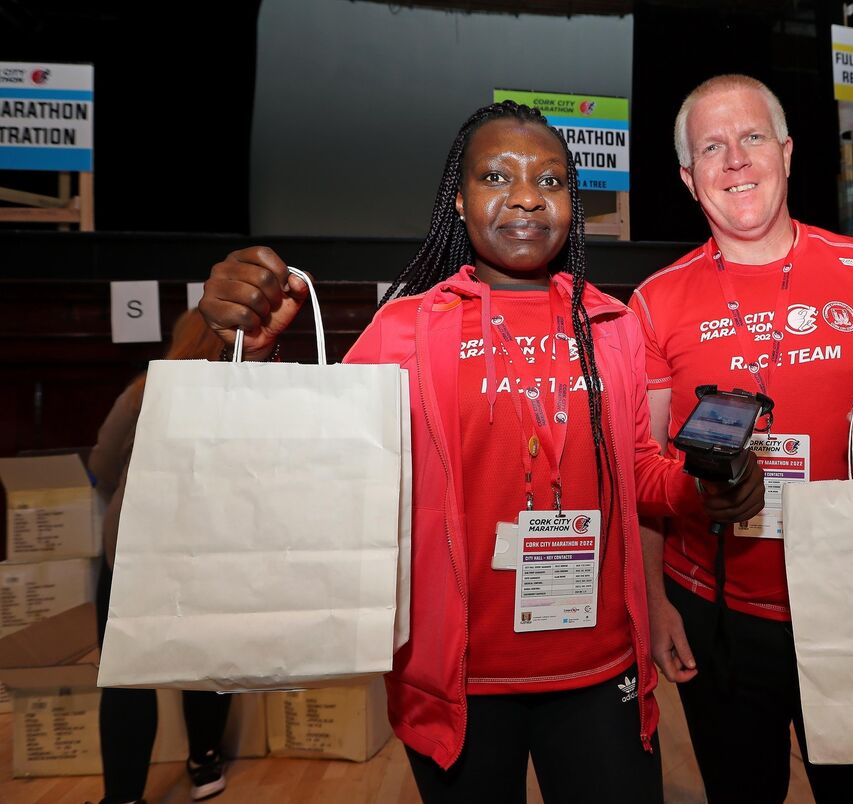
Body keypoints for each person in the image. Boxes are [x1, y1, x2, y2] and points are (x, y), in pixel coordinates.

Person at [197, 99, 764, 804]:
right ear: (459, 202)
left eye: (551, 181)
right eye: (498, 177)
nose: (528, 195)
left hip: (599, 669)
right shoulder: (405, 329)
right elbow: (320, 464)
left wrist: (703, 488)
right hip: (458, 682)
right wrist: (248, 347)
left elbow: (641, 472)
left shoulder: (613, 327)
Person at [629, 74, 853, 804]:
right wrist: (655, 604)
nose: (736, 160)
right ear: (689, 178)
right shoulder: (654, 303)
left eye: (751, 138)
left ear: (787, 150)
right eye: (712, 147)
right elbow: (643, 469)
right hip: (715, 612)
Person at [90, 309, 233, 804]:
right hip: (210, 547)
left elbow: (102, 463)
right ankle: (205, 764)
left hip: (135, 547)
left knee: (128, 673)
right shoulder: (243, 397)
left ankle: (125, 796)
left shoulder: (144, 390)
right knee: (206, 659)